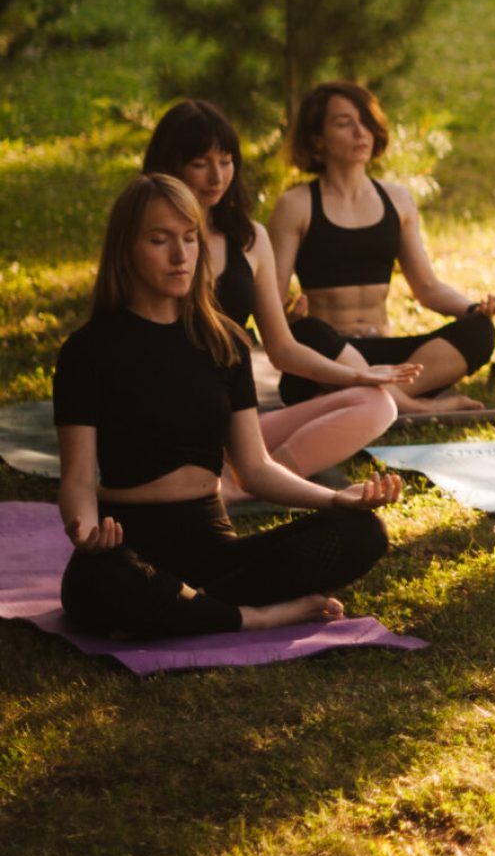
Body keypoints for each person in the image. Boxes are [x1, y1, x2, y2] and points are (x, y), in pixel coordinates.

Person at [55, 174, 400, 639]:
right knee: (100, 583)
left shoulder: (224, 342)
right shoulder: (88, 351)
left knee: (364, 532)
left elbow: (254, 467)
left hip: (214, 548)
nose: (181, 255)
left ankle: (191, 607)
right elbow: (76, 479)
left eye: (190, 238)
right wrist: (87, 534)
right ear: (125, 251)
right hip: (128, 546)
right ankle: (253, 615)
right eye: (160, 240)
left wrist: (335, 498)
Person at [143, 100, 417, 493]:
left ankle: (256, 480)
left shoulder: (249, 238)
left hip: (235, 422)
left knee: (376, 403)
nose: (217, 176)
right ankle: (240, 478)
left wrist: (359, 376)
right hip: (169, 420)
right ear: (171, 165)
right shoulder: (144, 237)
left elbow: (283, 349)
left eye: (226, 161)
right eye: (201, 163)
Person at [268, 81, 495, 418]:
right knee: (307, 332)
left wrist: (474, 309)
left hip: (386, 359)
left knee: (479, 331)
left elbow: (427, 289)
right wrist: (288, 315)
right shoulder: (295, 205)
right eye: (343, 123)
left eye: (366, 121)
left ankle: (371, 396)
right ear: (317, 139)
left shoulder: (398, 200)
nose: (360, 132)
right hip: (328, 357)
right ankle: (410, 405)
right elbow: (272, 300)